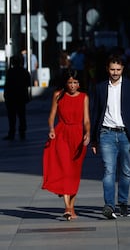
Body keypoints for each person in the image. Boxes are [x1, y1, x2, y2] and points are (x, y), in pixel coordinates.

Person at [90, 54, 130, 219]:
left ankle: (122, 203)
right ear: (107, 69)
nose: (115, 72)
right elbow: (95, 113)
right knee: (109, 170)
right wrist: (94, 138)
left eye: (118, 69)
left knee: (125, 171)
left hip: (125, 134)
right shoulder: (101, 87)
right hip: (106, 133)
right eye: (112, 69)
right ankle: (109, 205)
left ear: (122, 69)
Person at [42, 69, 90, 220]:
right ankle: (67, 207)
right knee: (66, 170)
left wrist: (87, 133)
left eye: (75, 82)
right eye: (70, 82)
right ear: (65, 82)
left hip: (78, 136)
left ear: (79, 83)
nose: (73, 85)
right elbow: (51, 116)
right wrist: (51, 129)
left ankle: (72, 206)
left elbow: (86, 120)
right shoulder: (58, 95)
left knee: (74, 172)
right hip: (61, 134)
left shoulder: (84, 97)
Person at [3, 54, 31, 141]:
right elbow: (28, 83)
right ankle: (22, 132)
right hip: (21, 97)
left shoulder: (10, 72)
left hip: (11, 97)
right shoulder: (24, 71)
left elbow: (7, 85)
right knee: (21, 115)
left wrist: (5, 95)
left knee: (12, 117)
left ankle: (12, 133)